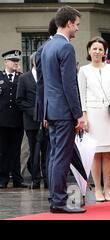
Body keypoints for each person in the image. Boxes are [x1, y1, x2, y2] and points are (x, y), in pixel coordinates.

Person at [40, 6, 86, 213]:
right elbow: (70, 85)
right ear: (68, 23)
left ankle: (54, 197)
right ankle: (58, 201)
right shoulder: (66, 48)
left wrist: (44, 113)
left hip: (52, 111)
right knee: (61, 157)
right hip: (65, 112)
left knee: (54, 156)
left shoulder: (46, 47)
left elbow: (44, 84)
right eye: (76, 24)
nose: (77, 28)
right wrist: (79, 114)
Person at [78, 36, 110, 202]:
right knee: (96, 153)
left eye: (100, 49)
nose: (97, 51)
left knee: (109, 153)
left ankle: (107, 188)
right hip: (93, 113)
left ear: (105, 52)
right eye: (94, 48)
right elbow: (81, 95)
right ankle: (97, 188)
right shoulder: (83, 70)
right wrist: (84, 116)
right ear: (89, 51)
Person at [16, 52, 47, 189]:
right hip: (31, 122)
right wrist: (35, 112)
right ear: (34, 61)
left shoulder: (47, 76)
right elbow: (19, 100)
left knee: (46, 152)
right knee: (34, 151)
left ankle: (47, 179)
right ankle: (35, 179)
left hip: (47, 121)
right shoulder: (24, 78)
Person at [35, 17, 58, 190]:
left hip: (56, 111)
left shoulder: (48, 47)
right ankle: (54, 188)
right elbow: (42, 84)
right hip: (51, 112)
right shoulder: (44, 49)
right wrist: (44, 114)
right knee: (52, 153)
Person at [0, 49, 27, 189]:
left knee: (16, 151)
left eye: (17, 61)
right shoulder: (0, 77)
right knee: (3, 151)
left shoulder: (21, 78)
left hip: (17, 121)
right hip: (2, 121)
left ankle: (17, 179)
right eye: (13, 61)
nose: (16, 63)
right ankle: (3, 179)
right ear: (6, 62)